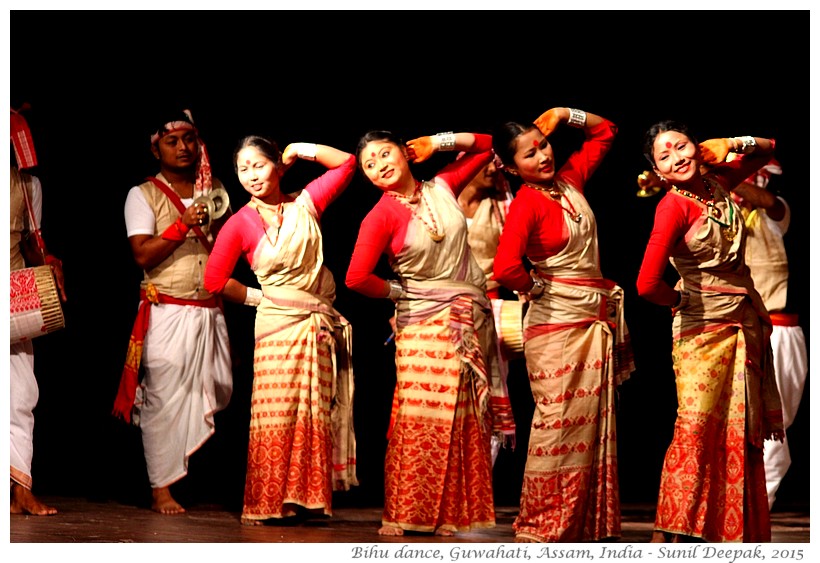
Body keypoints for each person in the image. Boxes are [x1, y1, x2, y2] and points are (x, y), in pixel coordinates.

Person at [345, 130, 513, 537]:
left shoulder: (443, 185)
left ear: (405, 154)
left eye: (385, 154)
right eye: (370, 164)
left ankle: (449, 515)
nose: (380, 165)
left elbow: (489, 145)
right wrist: (398, 291)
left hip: (465, 318)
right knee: (419, 419)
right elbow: (356, 277)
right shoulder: (380, 216)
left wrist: (437, 143)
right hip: (421, 324)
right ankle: (403, 513)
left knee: (460, 418)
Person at [636, 121, 784, 542]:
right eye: (664, 156)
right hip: (702, 328)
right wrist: (679, 301)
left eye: (681, 146)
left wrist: (730, 143)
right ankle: (673, 530)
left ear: (697, 147)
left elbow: (766, 149)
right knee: (696, 427)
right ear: (658, 171)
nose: (677, 158)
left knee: (738, 427)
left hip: (742, 320)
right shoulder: (673, 206)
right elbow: (647, 284)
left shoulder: (718, 181)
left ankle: (730, 526)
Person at [492, 106, 634, 543]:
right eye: (529, 155)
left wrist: (562, 114)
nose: (542, 157)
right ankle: (543, 524)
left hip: (590, 320)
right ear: (512, 168)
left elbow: (606, 131)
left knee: (588, 423)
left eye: (543, 145)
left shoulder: (569, 182)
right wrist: (536, 287)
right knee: (556, 424)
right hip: (554, 325)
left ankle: (584, 522)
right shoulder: (526, 204)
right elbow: (504, 267)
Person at [203, 135, 358, 525]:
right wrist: (264, 300)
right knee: (276, 416)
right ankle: (271, 501)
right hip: (275, 326)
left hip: (315, 325)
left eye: (259, 165)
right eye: (243, 169)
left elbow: (348, 164)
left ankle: (308, 500)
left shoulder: (306, 204)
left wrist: (299, 148)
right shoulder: (239, 223)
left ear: (277, 165)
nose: (251, 175)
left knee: (313, 414)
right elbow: (214, 280)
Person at [112, 109, 233, 515]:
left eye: (189, 139)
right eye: (172, 141)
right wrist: (181, 225)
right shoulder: (141, 194)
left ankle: (192, 475)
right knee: (163, 401)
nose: (183, 148)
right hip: (167, 313)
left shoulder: (214, 189)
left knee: (214, 387)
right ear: (155, 147)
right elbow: (141, 253)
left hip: (210, 311)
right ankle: (160, 487)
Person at [728, 158, 807, 511]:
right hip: (735, 332)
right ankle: (740, 503)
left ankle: (757, 505)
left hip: (778, 332)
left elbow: (765, 201)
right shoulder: (722, 215)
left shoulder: (776, 214)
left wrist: (716, 178)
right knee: (738, 420)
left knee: (774, 424)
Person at [10, 106, 66, 516]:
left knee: (20, 396)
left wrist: (46, 259)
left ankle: (19, 492)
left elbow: (32, 242)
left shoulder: (28, 186)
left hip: (9, 295)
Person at [457, 154, 518, 464]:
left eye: (498, 162)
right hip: (442, 307)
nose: (495, 168)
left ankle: (482, 483)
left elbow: (519, 255)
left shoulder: (502, 206)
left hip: (489, 307)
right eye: (487, 162)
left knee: (489, 392)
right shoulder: (440, 202)